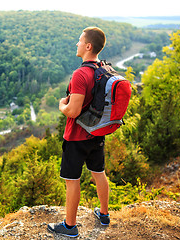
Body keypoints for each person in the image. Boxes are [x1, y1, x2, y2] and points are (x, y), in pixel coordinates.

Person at [48, 27, 110, 238]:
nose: (77, 43)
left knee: (71, 180)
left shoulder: (81, 73)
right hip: (97, 133)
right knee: (98, 172)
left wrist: (61, 106)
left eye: (79, 40)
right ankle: (103, 214)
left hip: (76, 137)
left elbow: (73, 111)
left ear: (88, 46)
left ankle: (70, 226)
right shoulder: (103, 70)